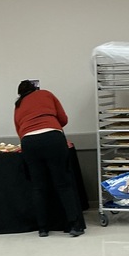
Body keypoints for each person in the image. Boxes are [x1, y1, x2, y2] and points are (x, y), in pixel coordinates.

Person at [13, 80, 84, 237]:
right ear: (35, 88)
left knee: (38, 187)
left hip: (29, 142)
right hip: (52, 138)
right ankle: (74, 225)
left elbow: (19, 129)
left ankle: (43, 228)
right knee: (63, 184)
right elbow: (63, 119)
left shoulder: (18, 105)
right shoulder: (46, 94)